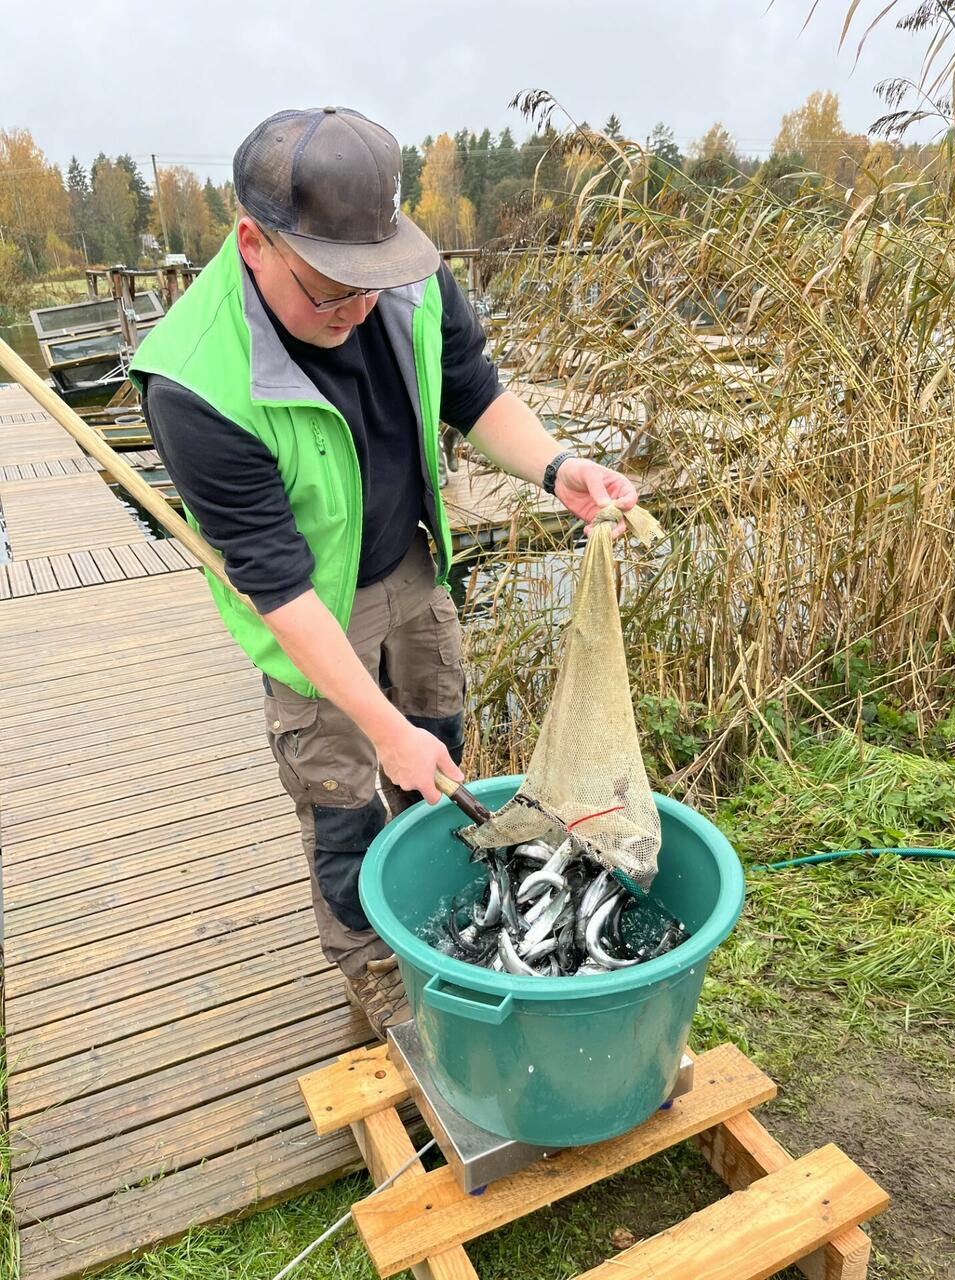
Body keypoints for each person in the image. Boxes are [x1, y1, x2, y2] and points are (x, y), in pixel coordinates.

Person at [130, 106, 638, 1041]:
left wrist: (560, 470)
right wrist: (380, 728)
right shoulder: (194, 383)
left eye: (371, 284)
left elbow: (475, 392)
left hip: (407, 560)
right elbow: (277, 587)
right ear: (254, 241)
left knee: (434, 745)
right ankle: (372, 970)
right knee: (343, 799)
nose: (359, 308)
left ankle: (451, 912)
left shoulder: (400, 274)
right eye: (331, 292)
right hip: (310, 618)